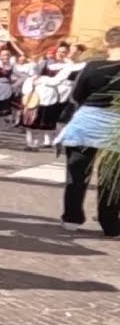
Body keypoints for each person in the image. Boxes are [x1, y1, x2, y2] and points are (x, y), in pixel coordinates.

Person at [56, 26, 120, 236]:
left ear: (106, 43)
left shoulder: (92, 66)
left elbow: (77, 95)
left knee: (76, 174)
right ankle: (109, 223)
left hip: (86, 122)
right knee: (111, 178)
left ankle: (71, 219)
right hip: (115, 127)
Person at [19, 43, 74, 150]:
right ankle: (29, 143)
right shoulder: (45, 62)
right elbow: (33, 73)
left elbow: (56, 81)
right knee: (30, 119)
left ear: (67, 53)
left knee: (43, 122)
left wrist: (41, 79)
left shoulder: (67, 67)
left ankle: (36, 143)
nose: (60, 54)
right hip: (36, 94)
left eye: (63, 52)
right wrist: (34, 61)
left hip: (50, 96)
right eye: (58, 51)